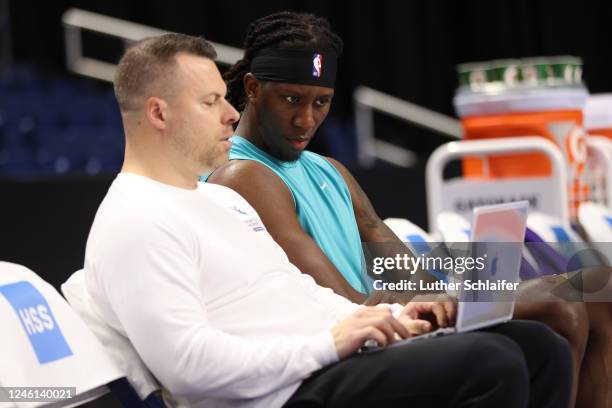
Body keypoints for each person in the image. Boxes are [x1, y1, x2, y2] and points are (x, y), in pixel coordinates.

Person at [81, 33, 573, 407]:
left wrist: (395, 318)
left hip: (323, 363)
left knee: (538, 346)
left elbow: (298, 292)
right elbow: (188, 366)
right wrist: (329, 344)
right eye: (211, 102)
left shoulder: (218, 202)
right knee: (491, 363)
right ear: (159, 114)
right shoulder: (135, 219)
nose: (231, 113)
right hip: (280, 392)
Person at [207, 11, 607, 407]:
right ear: (253, 88)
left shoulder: (330, 169)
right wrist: (422, 301)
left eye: (321, 102)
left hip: (389, 314)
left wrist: (445, 299)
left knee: (592, 293)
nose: (305, 119)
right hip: (344, 340)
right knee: (563, 309)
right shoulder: (243, 174)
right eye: (291, 99)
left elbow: (398, 265)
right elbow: (344, 303)